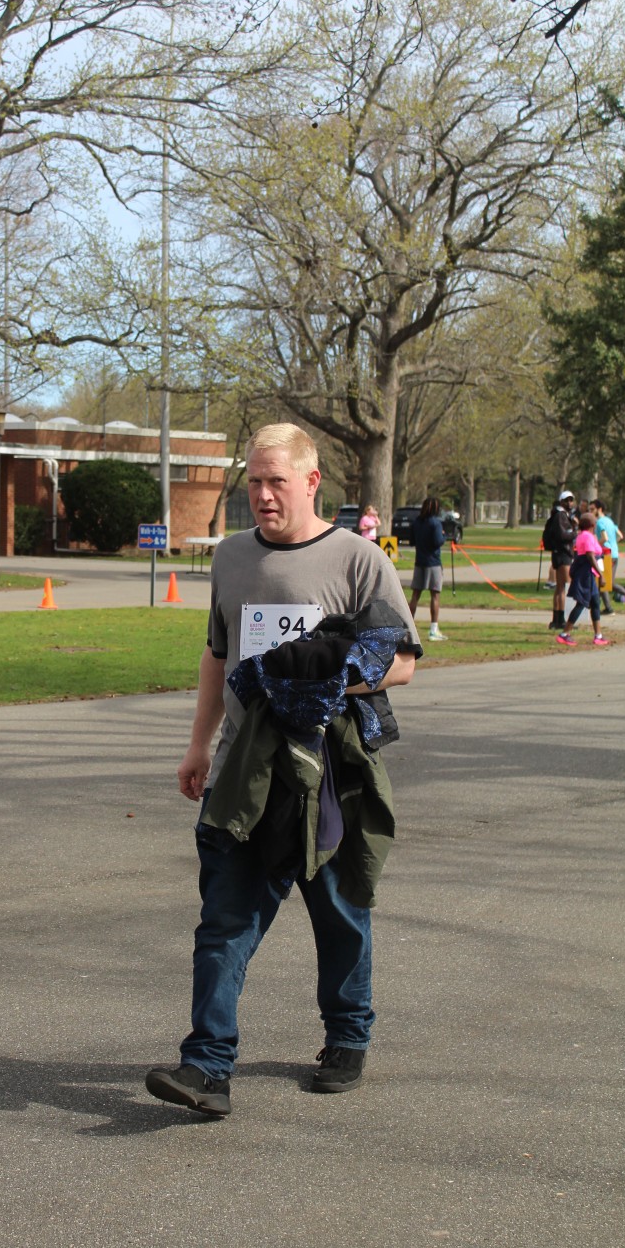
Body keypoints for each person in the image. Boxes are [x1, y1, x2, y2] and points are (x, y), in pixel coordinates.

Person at [145, 423, 420, 1118]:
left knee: (340, 913)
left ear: (311, 481)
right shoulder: (232, 557)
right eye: (255, 482)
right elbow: (218, 655)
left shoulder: (359, 560)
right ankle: (206, 1067)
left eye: (277, 481)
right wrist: (199, 745)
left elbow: (402, 663)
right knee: (224, 920)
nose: (264, 495)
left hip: (328, 772)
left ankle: (348, 1037)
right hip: (245, 771)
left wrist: (324, 677)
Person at [556, 511, 609, 648]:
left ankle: (598, 635)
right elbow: (590, 556)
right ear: (592, 524)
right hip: (586, 574)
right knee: (582, 603)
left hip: (588, 573)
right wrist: (601, 575)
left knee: (595, 603)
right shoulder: (587, 537)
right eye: (595, 522)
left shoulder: (583, 535)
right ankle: (564, 633)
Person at [408, 497, 448, 641]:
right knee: (435, 595)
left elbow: (412, 541)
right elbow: (437, 541)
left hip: (419, 562)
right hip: (433, 563)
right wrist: (444, 536)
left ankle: (407, 629)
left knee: (415, 596)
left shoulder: (417, 522)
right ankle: (433, 630)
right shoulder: (435, 523)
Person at [542, 491, 577, 630]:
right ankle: (561, 620)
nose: (569, 503)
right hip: (563, 554)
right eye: (566, 500)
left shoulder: (561, 515)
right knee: (565, 587)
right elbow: (562, 535)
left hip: (559, 554)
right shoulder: (560, 516)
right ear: (561, 502)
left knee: (560, 587)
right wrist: (575, 533)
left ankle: (556, 620)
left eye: (571, 500)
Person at [592, 499, 623, 614]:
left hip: (606, 553)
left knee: (603, 580)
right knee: (608, 581)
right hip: (614, 553)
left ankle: (609, 608)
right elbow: (620, 536)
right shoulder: (609, 520)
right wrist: (613, 544)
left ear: (599, 509)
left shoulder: (600, 522)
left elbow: (604, 538)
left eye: (592, 509)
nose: (591, 512)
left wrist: (595, 545)